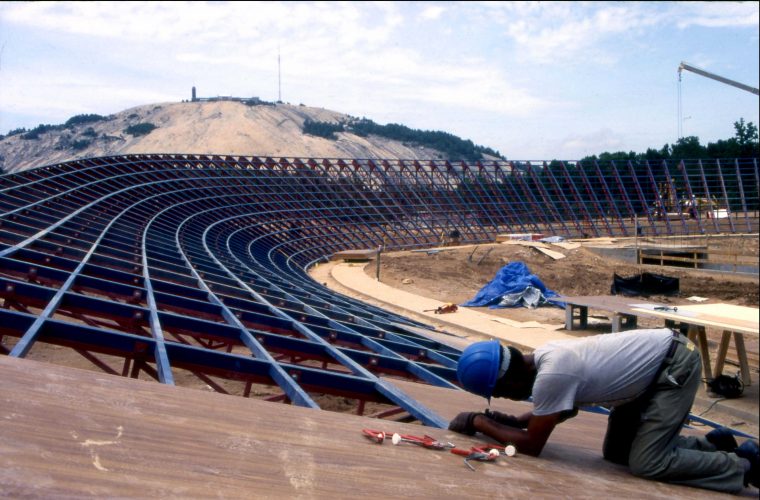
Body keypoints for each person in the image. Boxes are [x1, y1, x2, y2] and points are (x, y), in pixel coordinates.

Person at [449, 328, 758, 494]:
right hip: (651, 372)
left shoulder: (552, 375)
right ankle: (712, 443)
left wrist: (478, 421)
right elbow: (556, 411)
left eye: (503, 393)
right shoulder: (544, 357)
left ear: (511, 378)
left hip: (672, 368)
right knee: (617, 453)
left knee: (648, 463)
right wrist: (511, 422)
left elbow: (531, 446)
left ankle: (742, 466)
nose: (510, 399)